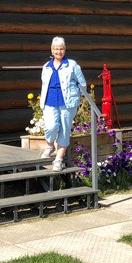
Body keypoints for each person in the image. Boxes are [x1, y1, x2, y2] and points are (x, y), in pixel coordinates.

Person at [39, 36, 87, 171]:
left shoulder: (72, 65)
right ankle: (49, 145)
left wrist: (75, 98)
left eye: (61, 49)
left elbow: (82, 84)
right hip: (49, 101)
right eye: (56, 49)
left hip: (67, 103)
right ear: (52, 50)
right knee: (51, 126)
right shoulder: (46, 67)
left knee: (64, 131)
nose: (58, 51)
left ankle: (58, 160)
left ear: (64, 50)